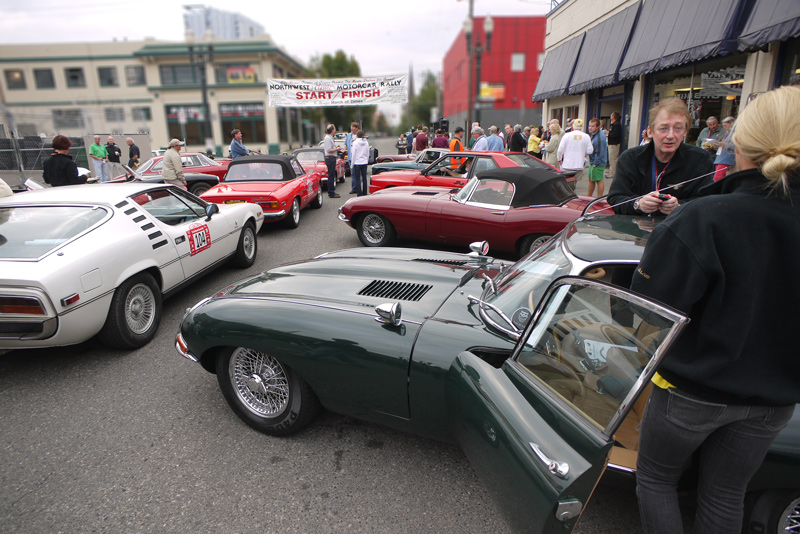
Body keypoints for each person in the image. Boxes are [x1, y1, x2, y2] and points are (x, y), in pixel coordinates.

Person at [631, 85, 800, 534]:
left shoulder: (703, 218)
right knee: (725, 494)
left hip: (693, 390)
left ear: (737, 144)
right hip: (777, 399)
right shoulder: (704, 213)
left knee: (656, 480)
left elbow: (648, 313)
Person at [608, 98, 714, 216]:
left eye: (678, 128)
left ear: (685, 132)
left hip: (679, 230)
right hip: (635, 230)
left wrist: (679, 207)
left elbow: (707, 203)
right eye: (663, 128)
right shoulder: (630, 158)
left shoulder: (700, 159)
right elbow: (615, 198)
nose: (670, 135)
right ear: (650, 131)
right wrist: (638, 204)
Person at [557, 118, 593, 190]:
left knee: (567, 185)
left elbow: (560, 149)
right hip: (579, 165)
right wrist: (584, 153)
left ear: (573, 126)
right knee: (574, 184)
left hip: (567, 165)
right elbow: (590, 151)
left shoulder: (567, 135)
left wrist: (559, 159)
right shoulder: (586, 136)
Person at [587, 118, 608, 197]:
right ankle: (589, 197)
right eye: (589, 126)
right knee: (591, 179)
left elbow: (600, 152)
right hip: (593, 161)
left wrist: (596, 163)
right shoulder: (594, 134)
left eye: (592, 126)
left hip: (598, 162)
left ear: (597, 127)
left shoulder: (600, 137)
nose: (590, 128)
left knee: (599, 180)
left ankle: (598, 199)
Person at [712, 116, 736, 180]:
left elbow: (735, 146)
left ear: (732, 124)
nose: (725, 128)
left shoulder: (735, 133)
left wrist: (723, 144)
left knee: (718, 178)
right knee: (716, 176)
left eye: (726, 125)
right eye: (723, 126)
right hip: (720, 157)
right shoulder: (726, 133)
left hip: (726, 159)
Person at [350, 129, 370, 197]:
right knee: (364, 178)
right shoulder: (366, 142)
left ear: (357, 135)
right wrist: (366, 160)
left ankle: (359, 193)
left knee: (357, 178)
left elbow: (354, 154)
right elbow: (367, 152)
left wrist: (352, 164)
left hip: (357, 162)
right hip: (364, 162)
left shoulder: (355, 143)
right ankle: (365, 192)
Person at [323, 124, 340, 198]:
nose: (335, 130)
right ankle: (331, 193)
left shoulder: (330, 138)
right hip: (330, 158)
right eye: (334, 129)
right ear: (332, 130)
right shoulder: (327, 138)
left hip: (332, 158)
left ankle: (332, 191)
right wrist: (337, 149)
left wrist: (336, 147)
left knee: (332, 175)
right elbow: (328, 150)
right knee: (330, 176)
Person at [606, 111, 621, 179]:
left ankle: (612, 173)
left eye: (611, 115)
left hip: (614, 144)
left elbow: (615, 134)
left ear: (613, 117)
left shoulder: (617, 124)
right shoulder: (613, 124)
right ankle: (611, 170)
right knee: (611, 158)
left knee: (613, 159)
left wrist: (608, 134)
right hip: (611, 143)